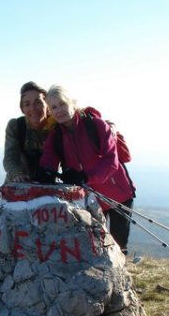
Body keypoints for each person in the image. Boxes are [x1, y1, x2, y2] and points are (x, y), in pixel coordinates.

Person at [37, 85, 136, 255]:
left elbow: (111, 161)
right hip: (90, 199)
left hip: (118, 194)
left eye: (62, 104)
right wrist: (45, 172)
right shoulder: (56, 136)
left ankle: (122, 270)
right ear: (50, 112)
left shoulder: (96, 125)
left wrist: (85, 176)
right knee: (96, 247)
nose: (59, 110)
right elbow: (49, 158)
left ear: (72, 103)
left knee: (119, 247)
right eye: (54, 107)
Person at [3, 81, 56, 183]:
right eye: (27, 104)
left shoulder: (56, 127)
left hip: (46, 185)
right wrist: (16, 173)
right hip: (17, 184)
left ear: (47, 105)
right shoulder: (16, 126)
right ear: (22, 109)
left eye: (38, 102)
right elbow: (10, 158)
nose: (33, 108)